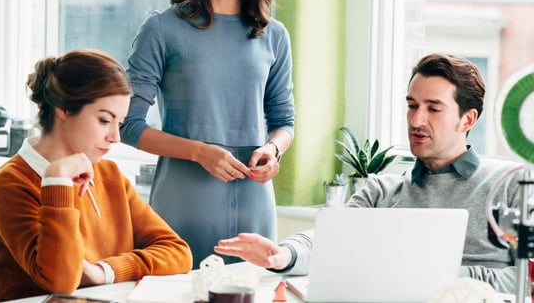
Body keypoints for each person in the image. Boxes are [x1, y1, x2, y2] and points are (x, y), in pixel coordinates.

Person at [214, 53, 522, 293]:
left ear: (468, 119)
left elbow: (525, 280)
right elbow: (330, 239)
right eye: (412, 106)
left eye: (433, 108)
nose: (416, 120)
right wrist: (284, 254)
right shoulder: (382, 190)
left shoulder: (510, 184)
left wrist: (440, 278)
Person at [120, 0, 295, 268]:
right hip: (183, 201)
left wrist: (273, 151)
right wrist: (200, 152)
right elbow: (128, 125)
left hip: (254, 201)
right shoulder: (162, 29)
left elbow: (284, 121)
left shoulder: (274, 35)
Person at [0, 49, 192, 302]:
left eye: (120, 123)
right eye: (105, 120)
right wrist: (57, 181)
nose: (115, 137)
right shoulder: (12, 184)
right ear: (64, 110)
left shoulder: (108, 173)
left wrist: (105, 272)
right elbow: (61, 281)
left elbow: (178, 252)